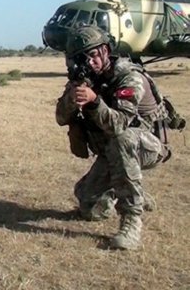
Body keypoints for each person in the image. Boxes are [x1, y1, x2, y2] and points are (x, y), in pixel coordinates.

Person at [55, 25, 169, 250]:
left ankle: (131, 220)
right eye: (81, 58)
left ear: (105, 51)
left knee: (122, 138)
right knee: (90, 208)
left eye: (93, 55)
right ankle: (132, 190)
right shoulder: (85, 79)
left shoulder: (129, 77)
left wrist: (94, 102)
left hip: (147, 147)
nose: (90, 62)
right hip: (111, 152)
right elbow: (60, 118)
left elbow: (119, 125)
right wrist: (72, 98)